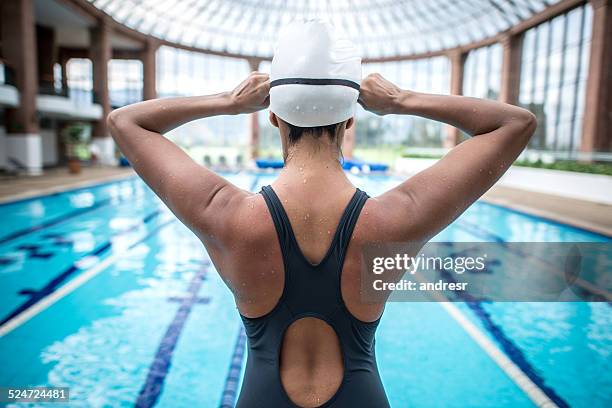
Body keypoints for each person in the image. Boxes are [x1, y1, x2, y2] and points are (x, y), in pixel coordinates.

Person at [108, 20, 535, 408]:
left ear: (273, 116)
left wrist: (228, 101)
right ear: (350, 120)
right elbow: (513, 124)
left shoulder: (226, 215)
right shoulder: (396, 219)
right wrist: (401, 100)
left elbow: (127, 122)